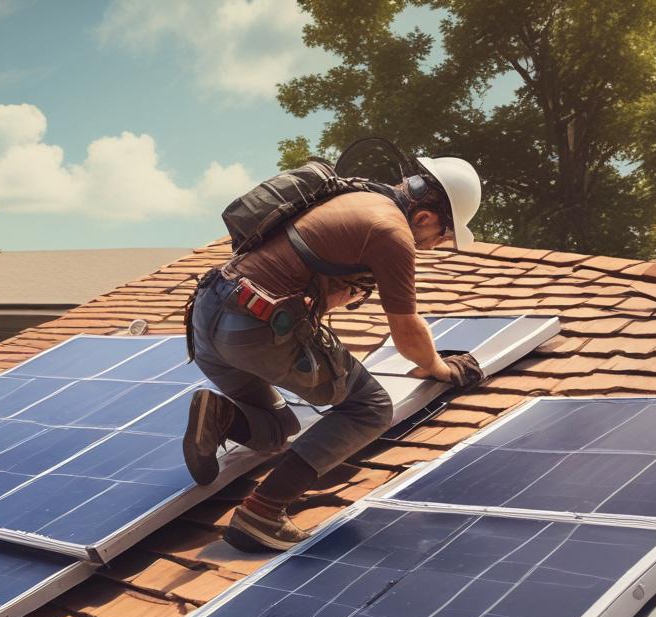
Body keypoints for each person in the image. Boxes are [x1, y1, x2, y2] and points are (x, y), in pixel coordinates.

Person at [183, 156, 484, 552]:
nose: (434, 247)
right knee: (370, 407)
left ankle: (220, 415)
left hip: (208, 315)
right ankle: (262, 513)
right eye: (442, 237)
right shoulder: (391, 232)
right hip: (254, 325)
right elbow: (407, 335)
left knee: (279, 428)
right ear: (425, 216)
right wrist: (439, 367)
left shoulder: (353, 198)